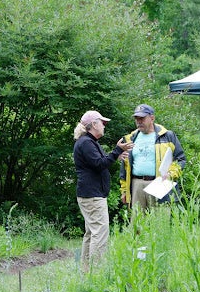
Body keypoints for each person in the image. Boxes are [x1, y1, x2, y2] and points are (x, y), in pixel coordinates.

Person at [73, 110, 133, 271]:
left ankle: (86, 271)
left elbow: (99, 162)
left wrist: (116, 156)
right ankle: (96, 272)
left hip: (89, 194)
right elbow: (99, 164)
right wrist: (117, 150)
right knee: (100, 233)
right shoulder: (86, 142)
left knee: (91, 233)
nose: (104, 126)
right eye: (102, 123)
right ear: (93, 125)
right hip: (93, 195)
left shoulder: (88, 142)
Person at [120, 104, 186, 211]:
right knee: (138, 223)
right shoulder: (130, 139)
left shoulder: (167, 136)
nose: (139, 121)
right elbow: (124, 166)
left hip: (160, 183)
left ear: (152, 118)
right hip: (136, 184)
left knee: (159, 222)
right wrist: (124, 190)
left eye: (142, 118)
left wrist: (170, 174)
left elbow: (180, 159)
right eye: (136, 119)